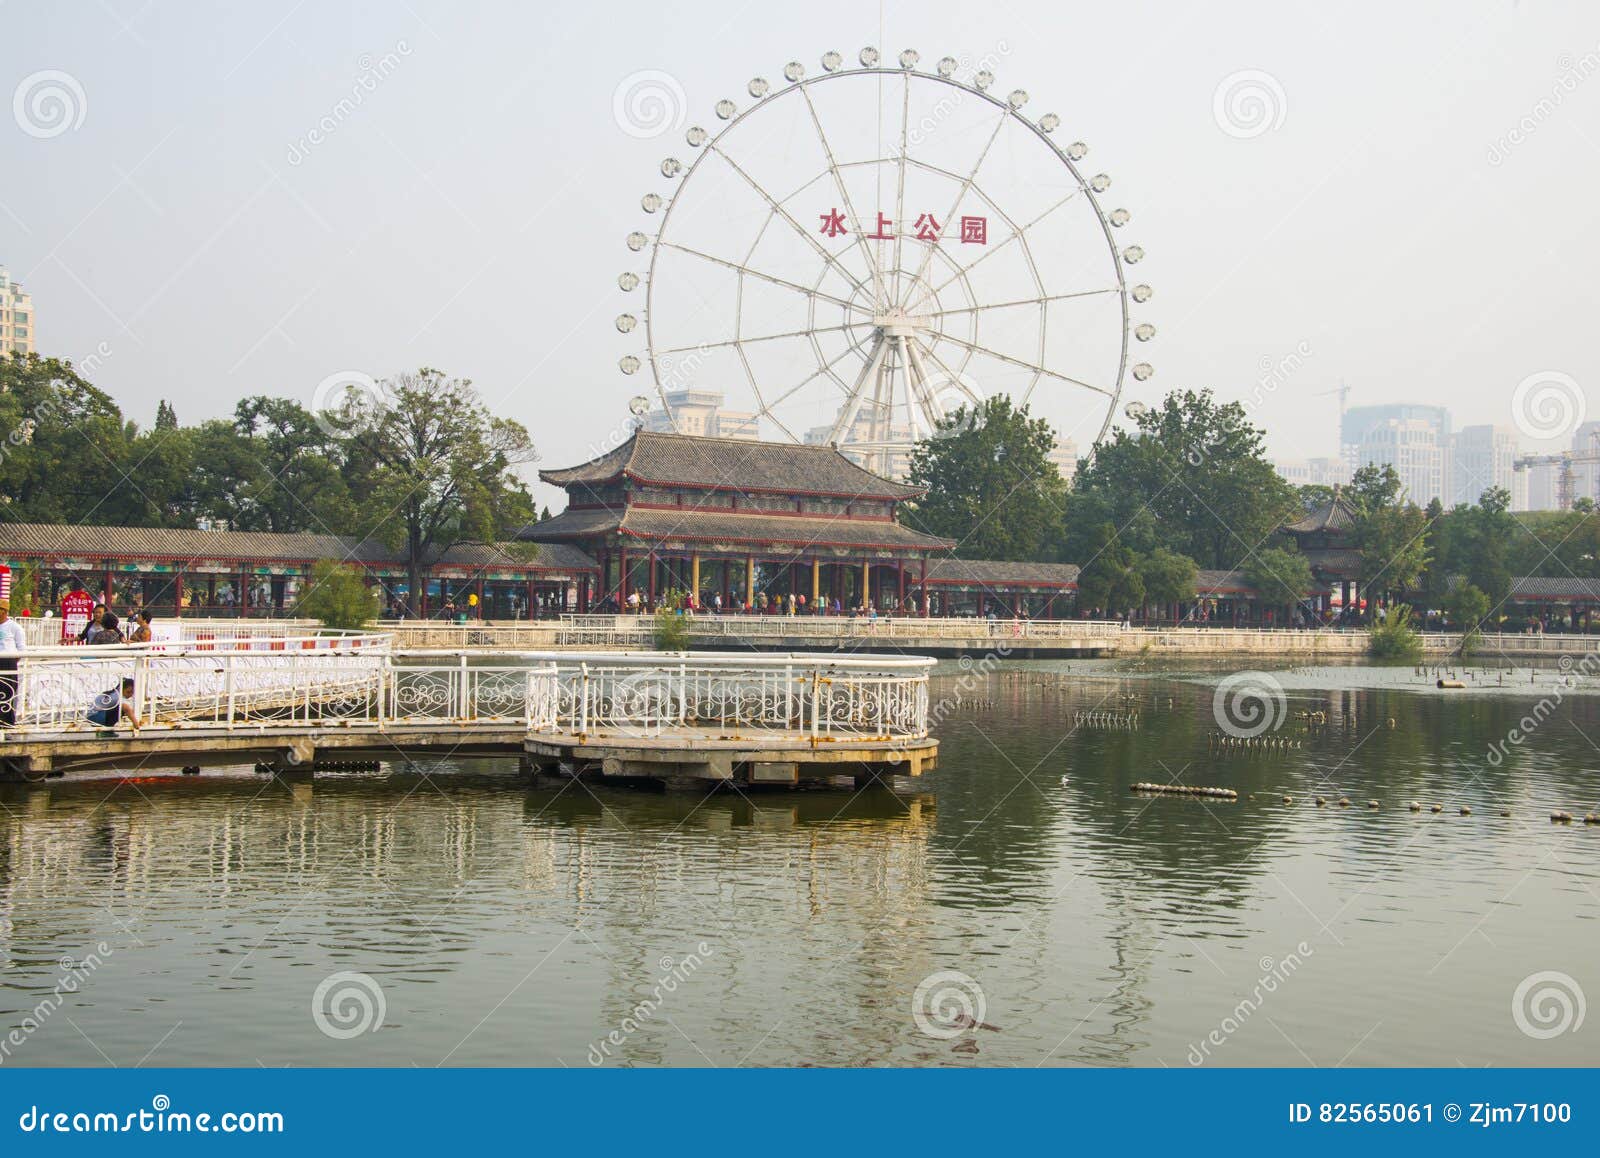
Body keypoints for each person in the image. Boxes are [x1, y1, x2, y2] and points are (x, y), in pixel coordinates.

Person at [0, 601, 25, 729]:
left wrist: (11, 662)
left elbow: (21, 649)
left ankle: (7, 724)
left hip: (7, 662)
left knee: (7, 693)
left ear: (4, 611)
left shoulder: (14, 627)